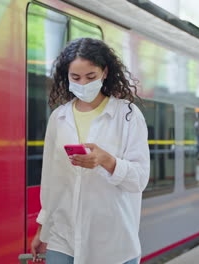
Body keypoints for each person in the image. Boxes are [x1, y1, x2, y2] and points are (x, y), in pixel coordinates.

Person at [30, 38, 150, 264]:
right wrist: (42, 231)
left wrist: (107, 161)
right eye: (75, 78)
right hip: (63, 236)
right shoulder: (59, 117)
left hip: (112, 242)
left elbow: (140, 180)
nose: (82, 83)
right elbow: (51, 180)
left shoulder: (128, 115)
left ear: (104, 72)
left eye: (90, 77)